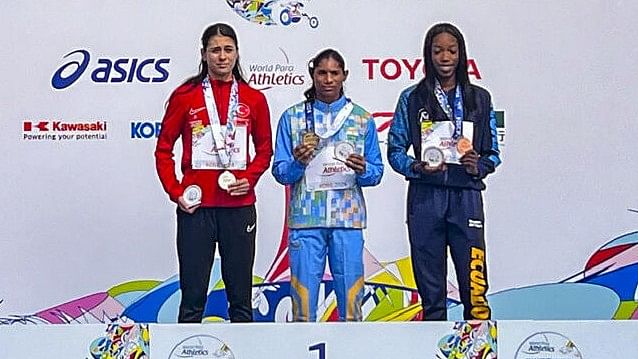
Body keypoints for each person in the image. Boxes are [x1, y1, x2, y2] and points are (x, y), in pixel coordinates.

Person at [155, 23, 273, 323]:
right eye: (215, 50)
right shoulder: (185, 96)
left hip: (239, 208)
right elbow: (163, 149)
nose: (222, 57)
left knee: (241, 299)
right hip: (197, 209)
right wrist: (176, 192)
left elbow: (264, 150)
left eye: (228, 49)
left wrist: (250, 179)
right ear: (204, 54)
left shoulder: (254, 98)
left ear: (237, 53)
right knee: (193, 298)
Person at [387, 23, 501, 321]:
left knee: (474, 285)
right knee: (431, 288)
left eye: (451, 50)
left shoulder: (480, 98)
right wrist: (415, 167)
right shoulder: (411, 98)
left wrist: (480, 166)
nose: (445, 57)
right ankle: (431, 344)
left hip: (466, 197)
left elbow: (494, 154)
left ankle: (478, 348)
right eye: (438, 51)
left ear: (461, 54)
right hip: (426, 197)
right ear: (428, 54)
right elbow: (395, 151)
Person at [272, 49, 383, 322]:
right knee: (302, 308)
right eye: (322, 73)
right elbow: (281, 172)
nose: (328, 79)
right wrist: (297, 162)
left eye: (334, 73)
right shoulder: (292, 117)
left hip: (347, 219)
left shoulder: (362, 119)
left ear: (345, 75)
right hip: (305, 221)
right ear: (313, 75)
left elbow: (376, 172)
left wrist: (363, 169)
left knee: (351, 306)